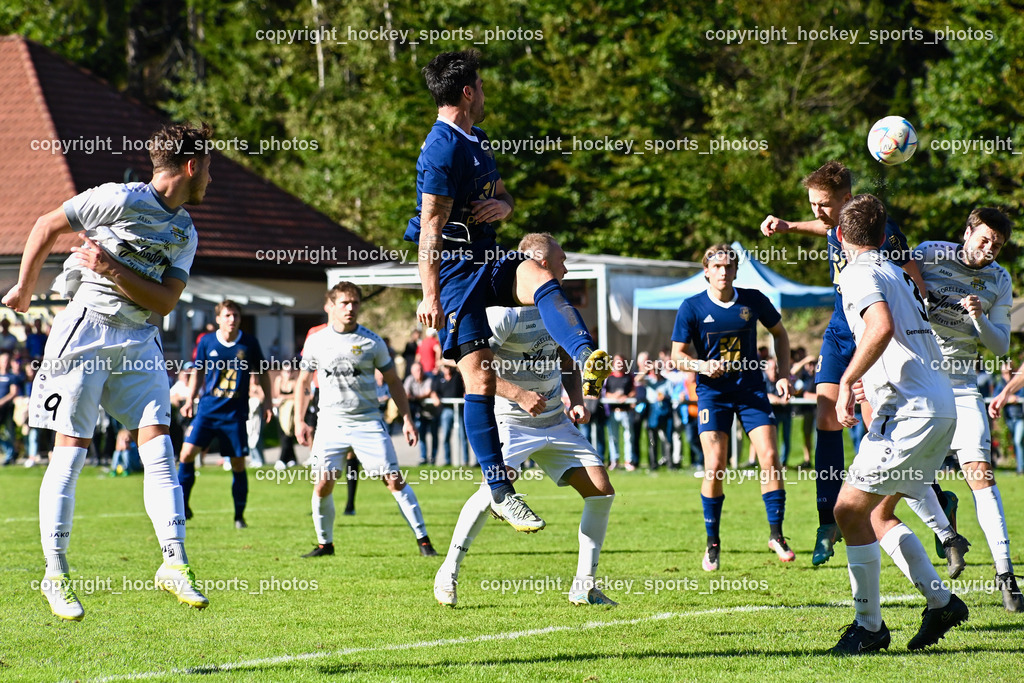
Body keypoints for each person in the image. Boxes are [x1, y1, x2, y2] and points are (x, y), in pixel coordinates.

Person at [2, 122, 213, 620]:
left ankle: (174, 563)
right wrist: (25, 289)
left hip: (140, 337)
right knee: (70, 454)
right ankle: (55, 574)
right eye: (208, 167)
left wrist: (111, 266)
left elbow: (163, 301)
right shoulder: (117, 199)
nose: (210, 178)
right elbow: (45, 225)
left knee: (159, 446)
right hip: (85, 333)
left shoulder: (185, 231)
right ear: (190, 166)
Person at [406, 50, 612, 532]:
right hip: (455, 274)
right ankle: (501, 491)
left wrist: (503, 207)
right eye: (481, 84)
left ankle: (584, 356)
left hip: (487, 259)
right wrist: (429, 295)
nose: (485, 93)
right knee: (478, 380)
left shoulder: (476, 139)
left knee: (540, 274)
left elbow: (504, 197)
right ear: (467, 92)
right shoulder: (440, 149)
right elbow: (430, 229)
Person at [434, 234, 616, 607]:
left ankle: (584, 586)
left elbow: (565, 359)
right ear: (542, 263)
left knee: (601, 490)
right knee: (493, 494)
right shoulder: (503, 310)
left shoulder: (557, 306)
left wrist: (576, 399)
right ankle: (448, 571)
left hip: (554, 420)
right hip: (511, 421)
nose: (566, 267)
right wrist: (518, 394)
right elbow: (461, 364)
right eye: (561, 260)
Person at [761, 160, 925, 566]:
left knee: (877, 425)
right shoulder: (835, 224)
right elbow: (824, 228)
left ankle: (937, 504)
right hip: (839, 329)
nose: (817, 211)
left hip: (871, 330)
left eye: (823, 204)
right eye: (812, 203)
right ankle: (825, 523)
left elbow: (913, 279)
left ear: (847, 200)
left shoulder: (882, 232)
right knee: (824, 419)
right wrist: (789, 227)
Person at [828, 194, 968, 655]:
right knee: (876, 513)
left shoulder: (858, 272)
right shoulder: (895, 270)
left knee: (849, 509)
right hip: (937, 405)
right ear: (884, 235)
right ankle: (941, 602)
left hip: (910, 411)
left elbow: (881, 325)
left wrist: (848, 379)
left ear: (842, 236)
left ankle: (869, 627)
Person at [906, 208, 1022, 611]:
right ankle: (948, 535)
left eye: (997, 245)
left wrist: (977, 319)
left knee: (981, 474)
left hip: (960, 386)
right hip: (916, 386)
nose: (989, 249)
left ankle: (1006, 575)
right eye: (984, 239)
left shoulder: (1000, 280)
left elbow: (1001, 346)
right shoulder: (929, 254)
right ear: (968, 232)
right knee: (903, 478)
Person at [671, 244, 794, 571]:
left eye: (729, 266)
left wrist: (784, 374)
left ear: (736, 271)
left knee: (769, 456)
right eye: (717, 266)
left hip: (751, 389)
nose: (723, 271)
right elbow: (676, 356)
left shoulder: (752, 299)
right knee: (715, 465)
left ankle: (777, 534)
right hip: (713, 394)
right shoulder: (692, 307)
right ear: (706, 271)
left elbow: (780, 334)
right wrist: (701, 366)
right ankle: (713, 543)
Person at [295, 282, 435, 557]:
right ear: (331, 306)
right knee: (323, 482)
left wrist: (407, 419)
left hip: (367, 421)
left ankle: (424, 541)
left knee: (393, 479)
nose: (350, 308)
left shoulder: (371, 341)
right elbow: (302, 383)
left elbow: (394, 381)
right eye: (344, 303)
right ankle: (325, 544)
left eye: (355, 303)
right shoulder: (316, 340)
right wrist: (300, 420)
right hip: (330, 422)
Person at [177, 300, 272, 528]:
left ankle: (239, 516)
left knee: (238, 464)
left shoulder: (249, 343)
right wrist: (190, 399)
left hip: (235, 414)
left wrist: (267, 401)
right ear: (218, 319)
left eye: (236, 316)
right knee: (186, 454)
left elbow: (263, 373)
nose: (232, 320)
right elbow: (197, 372)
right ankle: (183, 506)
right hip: (208, 410)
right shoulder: (207, 342)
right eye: (227, 315)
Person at [404, 361, 440, 465]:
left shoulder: (429, 378)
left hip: (433, 412)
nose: (418, 372)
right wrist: (417, 397)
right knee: (421, 435)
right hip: (420, 413)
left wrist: (415, 397)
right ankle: (423, 458)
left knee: (434, 436)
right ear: (412, 372)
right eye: (416, 370)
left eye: (420, 370)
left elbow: (428, 392)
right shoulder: (409, 379)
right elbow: (405, 394)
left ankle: (433, 458)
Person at [991, 364, 1024, 476]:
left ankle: (1021, 468)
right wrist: (1005, 395)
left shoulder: (1016, 380)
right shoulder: (1001, 383)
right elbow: (996, 394)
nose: (1007, 374)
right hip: (1009, 417)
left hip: (1020, 417)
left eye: (1008, 371)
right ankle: (1019, 467)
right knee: (1015, 442)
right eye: (1004, 372)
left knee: (1018, 441)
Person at [603, 355, 633, 470]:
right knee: (612, 437)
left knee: (628, 437)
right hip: (612, 412)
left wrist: (626, 396)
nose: (619, 365)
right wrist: (614, 396)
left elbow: (633, 391)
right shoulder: (609, 378)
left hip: (626, 411)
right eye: (617, 362)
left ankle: (628, 461)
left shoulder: (628, 377)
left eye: (621, 362)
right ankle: (614, 460)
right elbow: (605, 393)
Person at [436, 363, 469, 466]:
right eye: (445, 367)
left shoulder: (457, 376)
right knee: (445, 436)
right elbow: (434, 390)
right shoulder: (439, 378)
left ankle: (466, 461)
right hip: (447, 410)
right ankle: (447, 461)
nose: (448, 369)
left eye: (449, 366)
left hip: (459, 408)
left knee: (463, 436)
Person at [0, 351, 22, 465]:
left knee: (9, 433)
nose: (5, 363)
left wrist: (2, 401)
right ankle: (10, 451)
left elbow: (14, 392)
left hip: (7, 409)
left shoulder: (12, 377)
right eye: (3, 361)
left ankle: (10, 455)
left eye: (7, 361)